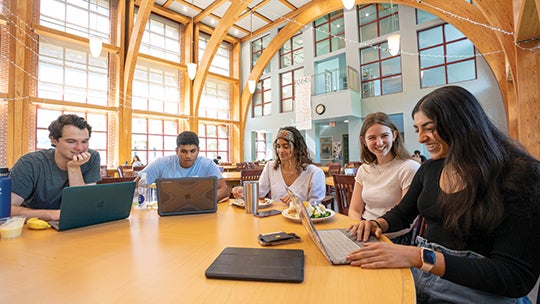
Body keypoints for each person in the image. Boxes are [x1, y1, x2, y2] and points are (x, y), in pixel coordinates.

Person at [346, 86, 540, 303]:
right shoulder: (431, 169)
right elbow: (402, 214)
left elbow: (514, 276)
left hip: (476, 291)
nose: (420, 138)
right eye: (417, 129)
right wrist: (377, 224)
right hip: (425, 274)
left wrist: (420, 257)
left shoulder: (521, 175)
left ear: (460, 123)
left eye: (428, 128)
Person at [10, 114, 101, 221]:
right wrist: (53, 215)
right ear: (54, 140)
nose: (80, 148)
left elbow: (83, 206)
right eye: (71, 141)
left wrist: (74, 168)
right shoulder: (29, 163)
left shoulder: (92, 157)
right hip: (34, 225)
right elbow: (6, 209)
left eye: (85, 141)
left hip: (74, 225)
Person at [348, 112, 420, 245]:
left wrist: (373, 232)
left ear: (394, 135)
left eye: (384, 136)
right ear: (364, 141)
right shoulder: (364, 169)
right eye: (372, 138)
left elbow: (408, 221)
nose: (379, 142)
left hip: (394, 236)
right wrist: (360, 229)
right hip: (365, 233)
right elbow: (355, 210)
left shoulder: (409, 168)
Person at [231, 126, 326, 205]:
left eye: (286, 146)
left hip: (300, 222)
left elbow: (315, 205)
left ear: (297, 148)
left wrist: (299, 202)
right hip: (275, 219)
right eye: (278, 146)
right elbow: (260, 191)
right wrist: (243, 190)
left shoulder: (314, 173)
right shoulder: (270, 167)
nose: (280, 151)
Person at [140, 131, 229, 202]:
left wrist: (202, 201)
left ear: (198, 150)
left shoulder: (208, 164)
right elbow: (137, 184)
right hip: (168, 216)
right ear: (176, 151)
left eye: (192, 151)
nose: (188, 156)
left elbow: (224, 190)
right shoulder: (161, 163)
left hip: (199, 215)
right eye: (184, 151)